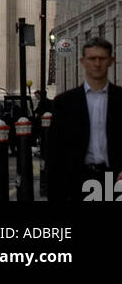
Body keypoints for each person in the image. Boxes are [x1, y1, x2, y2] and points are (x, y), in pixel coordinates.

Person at [47, 38, 122, 202]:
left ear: (111, 61)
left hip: (115, 179)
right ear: (82, 61)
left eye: (102, 58)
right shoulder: (64, 102)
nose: (97, 64)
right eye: (92, 58)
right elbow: (55, 152)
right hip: (78, 178)